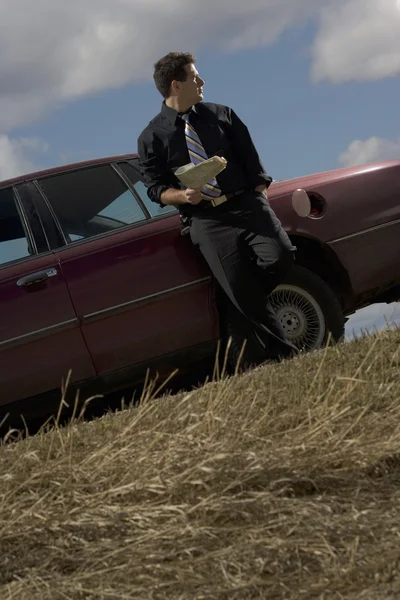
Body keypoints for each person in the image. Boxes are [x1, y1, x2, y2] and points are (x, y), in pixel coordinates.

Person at [137, 51, 298, 363]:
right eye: (194, 76)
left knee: (281, 256)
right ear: (176, 85)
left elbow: (254, 165)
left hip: (247, 205)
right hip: (206, 221)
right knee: (240, 291)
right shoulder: (151, 138)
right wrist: (182, 197)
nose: (202, 81)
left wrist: (259, 196)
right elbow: (155, 189)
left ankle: (241, 302)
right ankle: (285, 356)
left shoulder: (222, 114)